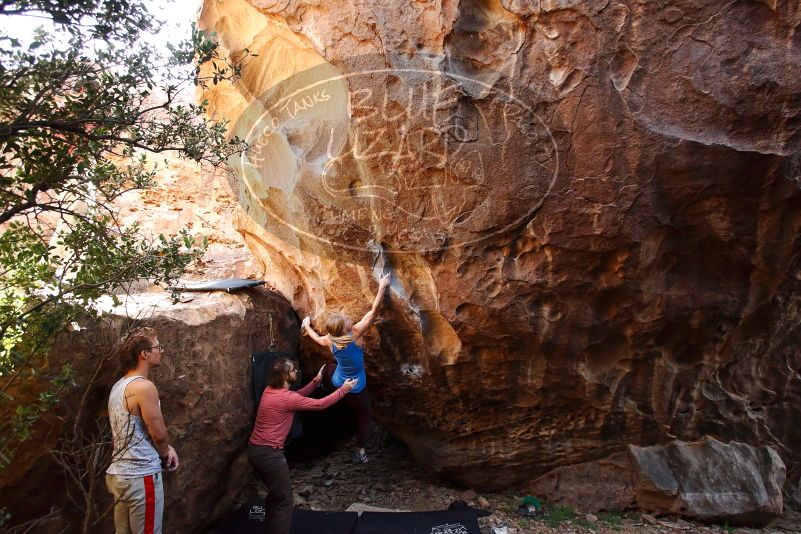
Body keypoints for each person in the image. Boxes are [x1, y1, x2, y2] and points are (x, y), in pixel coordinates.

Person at [249, 358, 356, 534]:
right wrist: (344, 389)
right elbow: (320, 404)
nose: (296, 372)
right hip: (270, 455)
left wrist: (316, 380)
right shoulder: (286, 398)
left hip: (255, 451)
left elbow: (297, 396)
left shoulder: (270, 390)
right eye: (292, 370)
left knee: (276, 493)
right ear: (284, 375)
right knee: (284, 499)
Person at [302, 273, 390, 464]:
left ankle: (321, 385)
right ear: (344, 328)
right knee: (365, 416)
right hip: (355, 386)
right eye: (347, 320)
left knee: (328, 368)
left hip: (337, 381)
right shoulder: (356, 334)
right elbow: (374, 311)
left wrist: (306, 325)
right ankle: (360, 449)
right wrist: (382, 287)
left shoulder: (329, 340)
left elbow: (316, 339)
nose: (349, 319)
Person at [106, 327, 179, 534]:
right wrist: (165, 452)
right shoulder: (144, 387)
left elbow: (134, 429)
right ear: (144, 354)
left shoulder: (119, 386)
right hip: (141, 475)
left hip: (118, 475)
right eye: (158, 347)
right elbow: (158, 433)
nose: (161, 351)